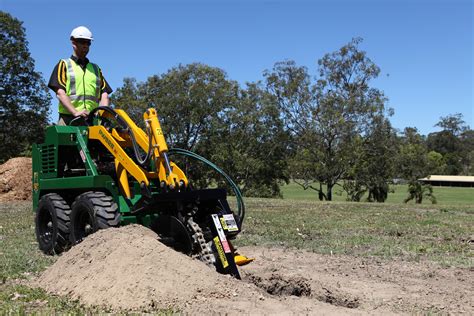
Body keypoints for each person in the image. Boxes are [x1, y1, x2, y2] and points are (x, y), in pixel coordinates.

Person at [48, 26, 112, 125]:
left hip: (91, 121)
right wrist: (75, 112)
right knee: (63, 140)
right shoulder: (64, 64)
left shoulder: (96, 69)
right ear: (73, 43)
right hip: (68, 119)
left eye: (88, 43)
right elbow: (60, 93)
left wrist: (102, 116)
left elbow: (104, 95)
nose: (86, 46)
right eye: (82, 42)